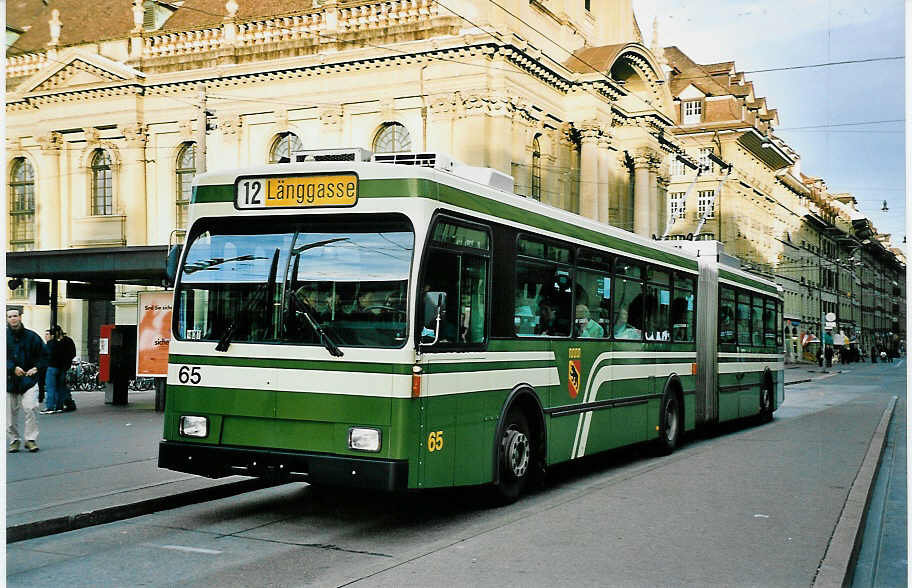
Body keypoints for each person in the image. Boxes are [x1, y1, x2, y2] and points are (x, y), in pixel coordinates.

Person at [7, 308, 45, 452]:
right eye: (10, 316)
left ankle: (30, 439)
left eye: (15, 316)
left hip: (29, 380)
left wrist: (37, 368)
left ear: (20, 317)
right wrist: (12, 368)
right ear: (6, 319)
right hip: (9, 381)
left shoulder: (32, 336)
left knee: (31, 408)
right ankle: (14, 440)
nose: (13, 319)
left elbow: (44, 355)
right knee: (9, 413)